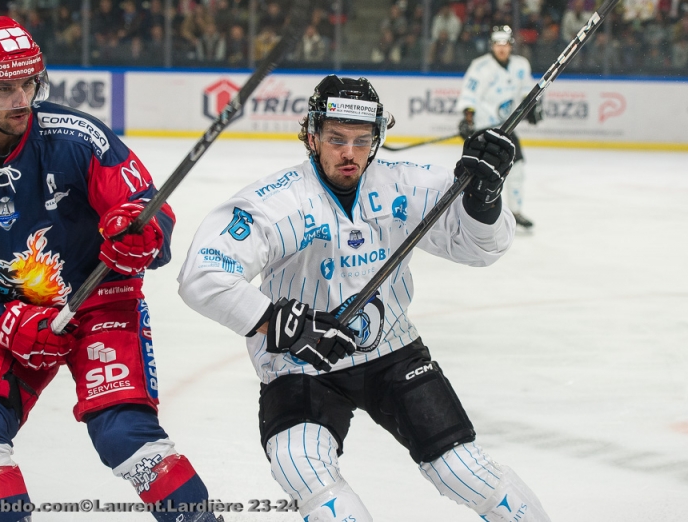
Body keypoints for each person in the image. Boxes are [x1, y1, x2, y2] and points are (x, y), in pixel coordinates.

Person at [177, 74, 551, 521]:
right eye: (336, 139)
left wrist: (484, 200)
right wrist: (286, 325)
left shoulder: (403, 184)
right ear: (312, 136)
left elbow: (480, 248)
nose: (350, 153)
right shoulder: (277, 202)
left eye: (362, 140)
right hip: (302, 363)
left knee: (463, 470)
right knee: (301, 467)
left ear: (377, 139)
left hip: (393, 351)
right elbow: (203, 274)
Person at [0, 17, 221, 522]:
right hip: (8, 311)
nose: (20, 99)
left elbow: (147, 209)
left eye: (29, 83)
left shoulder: (78, 138)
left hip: (99, 300)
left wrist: (141, 233)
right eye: (3, 88)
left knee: (124, 433)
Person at [455, 25, 542, 230]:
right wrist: (468, 119)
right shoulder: (480, 67)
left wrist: (532, 108)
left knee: (517, 168)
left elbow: (526, 92)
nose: (501, 48)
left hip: (507, 128)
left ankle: (516, 211)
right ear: (491, 45)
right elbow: (469, 95)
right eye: (497, 43)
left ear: (511, 45)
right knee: (479, 175)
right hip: (484, 130)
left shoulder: (521, 65)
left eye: (505, 43)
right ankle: (469, 213)